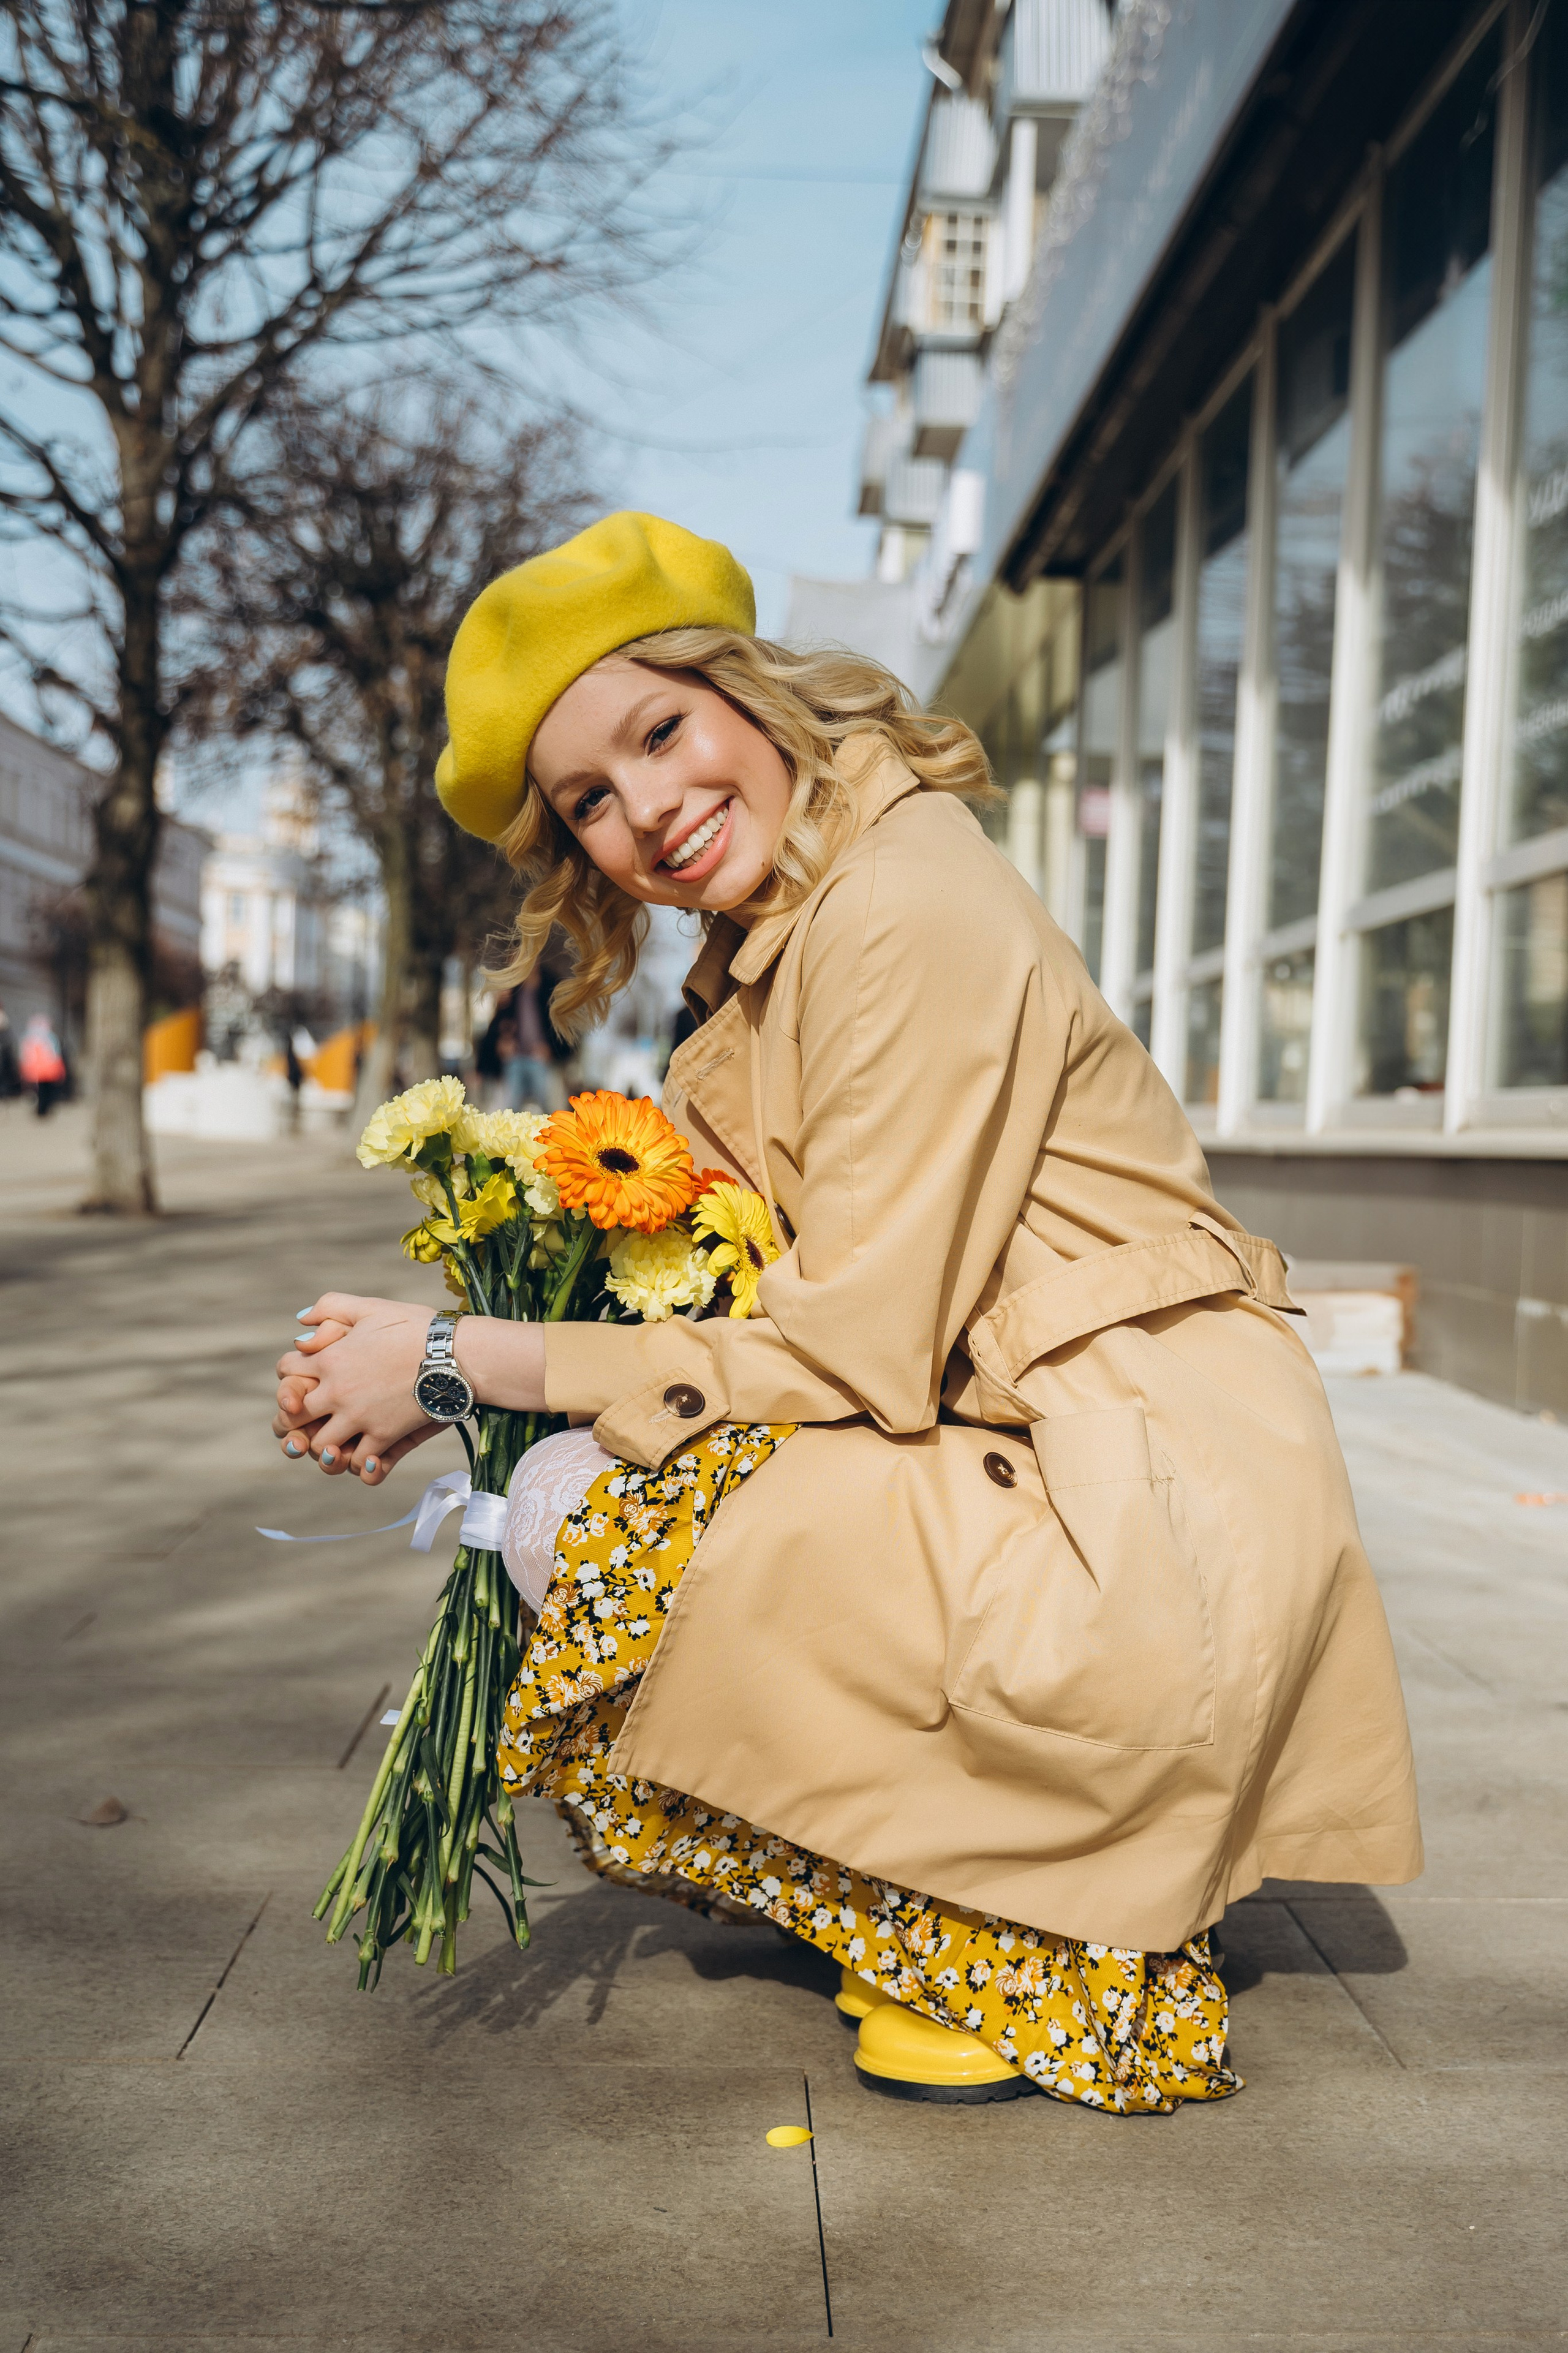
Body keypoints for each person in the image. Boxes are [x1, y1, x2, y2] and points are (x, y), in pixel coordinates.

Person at [272, 512, 1422, 2114]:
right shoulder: (781, 948)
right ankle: (929, 1872)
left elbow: (838, 1347)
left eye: (662, 731)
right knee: (563, 1497)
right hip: (1047, 1445)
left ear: (752, 694)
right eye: (590, 799)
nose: (649, 810)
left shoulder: (903, 901)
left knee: (595, 1508)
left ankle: (1000, 1923)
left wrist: (460, 1362)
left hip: (1142, 1487)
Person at [18, 1011, 67, 1117]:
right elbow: (56, 1054)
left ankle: (41, 1109)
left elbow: (26, 1055)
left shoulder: (29, 1037)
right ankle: (44, 1109)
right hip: (49, 1069)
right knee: (47, 1090)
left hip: (38, 1070)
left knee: (40, 1090)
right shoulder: (50, 1037)